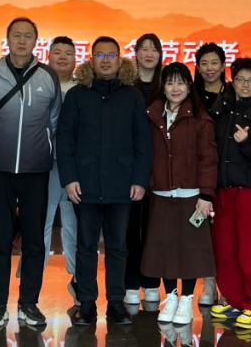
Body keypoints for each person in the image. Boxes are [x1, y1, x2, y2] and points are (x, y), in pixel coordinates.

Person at [58, 37, 152, 326]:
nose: (106, 60)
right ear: (92, 59)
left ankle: (115, 302)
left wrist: (139, 179)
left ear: (120, 60)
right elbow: (65, 139)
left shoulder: (132, 96)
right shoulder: (77, 95)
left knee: (117, 245)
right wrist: (69, 178)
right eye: (100, 55)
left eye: (111, 55)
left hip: (122, 184)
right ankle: (87, 303)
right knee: (85, 245)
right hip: (84, 183)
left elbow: (143, 141)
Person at [0, 16, 63, 328]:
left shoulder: (47, 76)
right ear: (8, 40)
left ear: (36, 41)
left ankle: (29, 303)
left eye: (28, 35)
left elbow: (54, 119)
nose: (22, 40)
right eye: (17, 35)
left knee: (34, 241)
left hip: (36, 170)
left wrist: (44, 146)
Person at [142, 62, 217, 326]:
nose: (175, 88)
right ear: (163, 86)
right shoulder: (152, 114)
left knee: (190, 250)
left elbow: (208, 159)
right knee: (164, 248)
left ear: (189, 86)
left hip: (191, 195)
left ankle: (186, 298)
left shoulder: (200, 118)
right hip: (161, 194)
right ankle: (171, 296)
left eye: (181, 82)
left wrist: (206, 195)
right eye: (170, 82)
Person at [207, 57, 251, 331]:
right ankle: (235, 300)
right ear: (232, 81)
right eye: (240, 80)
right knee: (225, 249)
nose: (245, 85)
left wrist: (247, 141)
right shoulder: (223, 107)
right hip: (224, 190)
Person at [23, 36, 79, 302]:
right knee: (39, 224)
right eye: (57, 52)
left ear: (76, 59)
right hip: (41, 164)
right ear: (48, 56)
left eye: (68, 52)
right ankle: (30, 288)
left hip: (74, 168)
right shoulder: (36, 84)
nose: (63, 57)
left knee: (74, 226)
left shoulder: (83, 89)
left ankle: (79, 283)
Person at [125, 33, 164, 305]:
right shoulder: (125, 84)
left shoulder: (167, 85)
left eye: (154, 49)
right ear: (136, 53)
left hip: (161, 165)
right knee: (128, 227)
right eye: (144, 49)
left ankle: (151, 282)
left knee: (155, 228)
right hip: (129, 165)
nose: (149, 54)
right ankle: (129, 282)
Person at [192, 42, 229, 306]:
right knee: (202, 231)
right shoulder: (191, 96)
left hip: (227, 171)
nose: (209, 68)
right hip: (198, 171)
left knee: (225, 232)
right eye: (203, 63)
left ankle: (227, 284)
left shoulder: (233, 93)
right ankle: (208, 283)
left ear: (223, 65)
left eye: (214, 63)